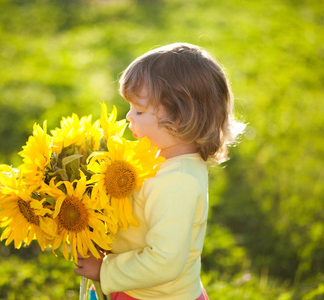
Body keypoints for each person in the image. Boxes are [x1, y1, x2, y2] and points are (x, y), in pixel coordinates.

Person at [75, 43, 245, 299]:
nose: (129, 116)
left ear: (179, 118)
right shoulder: (158, 155)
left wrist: (104, 270)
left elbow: (165, 260)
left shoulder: (179, 182)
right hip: (135, 287)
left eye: (139, 110)